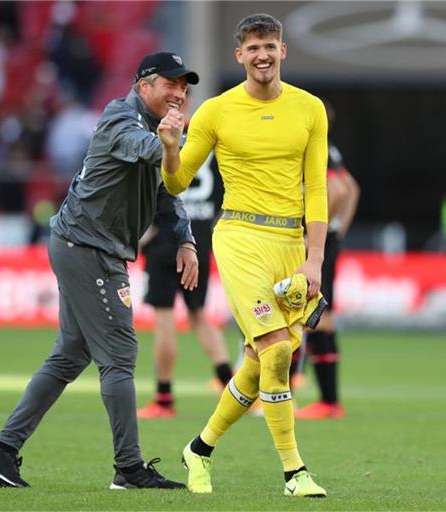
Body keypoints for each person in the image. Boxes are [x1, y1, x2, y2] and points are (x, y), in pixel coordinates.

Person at [0, 52, 201, 491]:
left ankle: (1, 448)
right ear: (143, 85)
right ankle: (129, 469)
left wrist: (186, 240)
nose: (178, 94)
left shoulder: (156, 130)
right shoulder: (121, 117)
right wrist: (175, 141)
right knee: (119, 356)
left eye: (184, 89)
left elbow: (168, 195)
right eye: (170, 84)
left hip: (86, 245)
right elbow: (149, 153)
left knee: (70, 355)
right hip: (90, 248)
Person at [157, 13, 329, 498]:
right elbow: (176, 182)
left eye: (270, 45)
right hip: (238, 237)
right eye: (253, 47)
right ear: (239, 55)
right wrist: (170, 148)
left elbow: (316, 188)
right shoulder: (215, 111)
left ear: (283, 50)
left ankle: (200, 449)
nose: (262, 55)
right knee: (278, 349)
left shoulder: (309, 109)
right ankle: (295, 472)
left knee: (261, 360)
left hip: (291, 242)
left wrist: (314, 259)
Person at [137, 148, 233, 419]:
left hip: (164, 242)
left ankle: (164, 398)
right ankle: (232, 388)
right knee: (199, 315)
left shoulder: (163, 141)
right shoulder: (213, 148)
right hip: (198, 243)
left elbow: (152, 191)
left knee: (164, 318)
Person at [294, 100, 360, 420]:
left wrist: (315, 233)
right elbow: (352, 188)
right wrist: (338, 229)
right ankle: (319, 397)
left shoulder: (316, 149)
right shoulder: (331, 149)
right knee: (312, 313)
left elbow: (336, 190)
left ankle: (328, 401)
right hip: (330, 238)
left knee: (317, 314)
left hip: (317, 240)